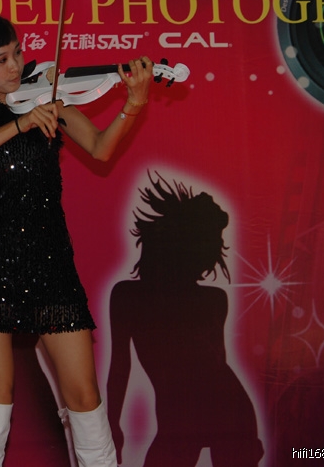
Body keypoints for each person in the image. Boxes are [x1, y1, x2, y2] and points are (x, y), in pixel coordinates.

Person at [0, 10, 152, 467]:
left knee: (84, 394)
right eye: (1, 59)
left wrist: (132, 103)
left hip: (49, 259)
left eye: (17, 53)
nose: (16, 66)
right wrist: (19, 124)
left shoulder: (47, 95)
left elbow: (100, 148)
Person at [107, 175, 263, 466]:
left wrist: (113, 424)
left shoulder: (213, 299)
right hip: (181, 420)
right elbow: (120, 367)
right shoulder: (128, 296)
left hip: (226, 413)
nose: (218, 248)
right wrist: (112, 425)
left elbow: (216, 362)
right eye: (213, 241)